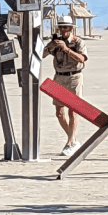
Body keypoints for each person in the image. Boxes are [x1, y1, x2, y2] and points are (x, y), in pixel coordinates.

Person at [43, 15, 88, 156]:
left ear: (71, 28)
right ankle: (73, 139)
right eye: (61, 27)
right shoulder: (56, 42)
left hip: (74, 77)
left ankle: (70, 142)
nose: (63, 30)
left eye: (66, 27)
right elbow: (42, 55)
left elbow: (82, 58)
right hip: (59, 77)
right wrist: (51, 46)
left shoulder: (78, 42)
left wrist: (66, 49)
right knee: (59, 112)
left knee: (73, 111)